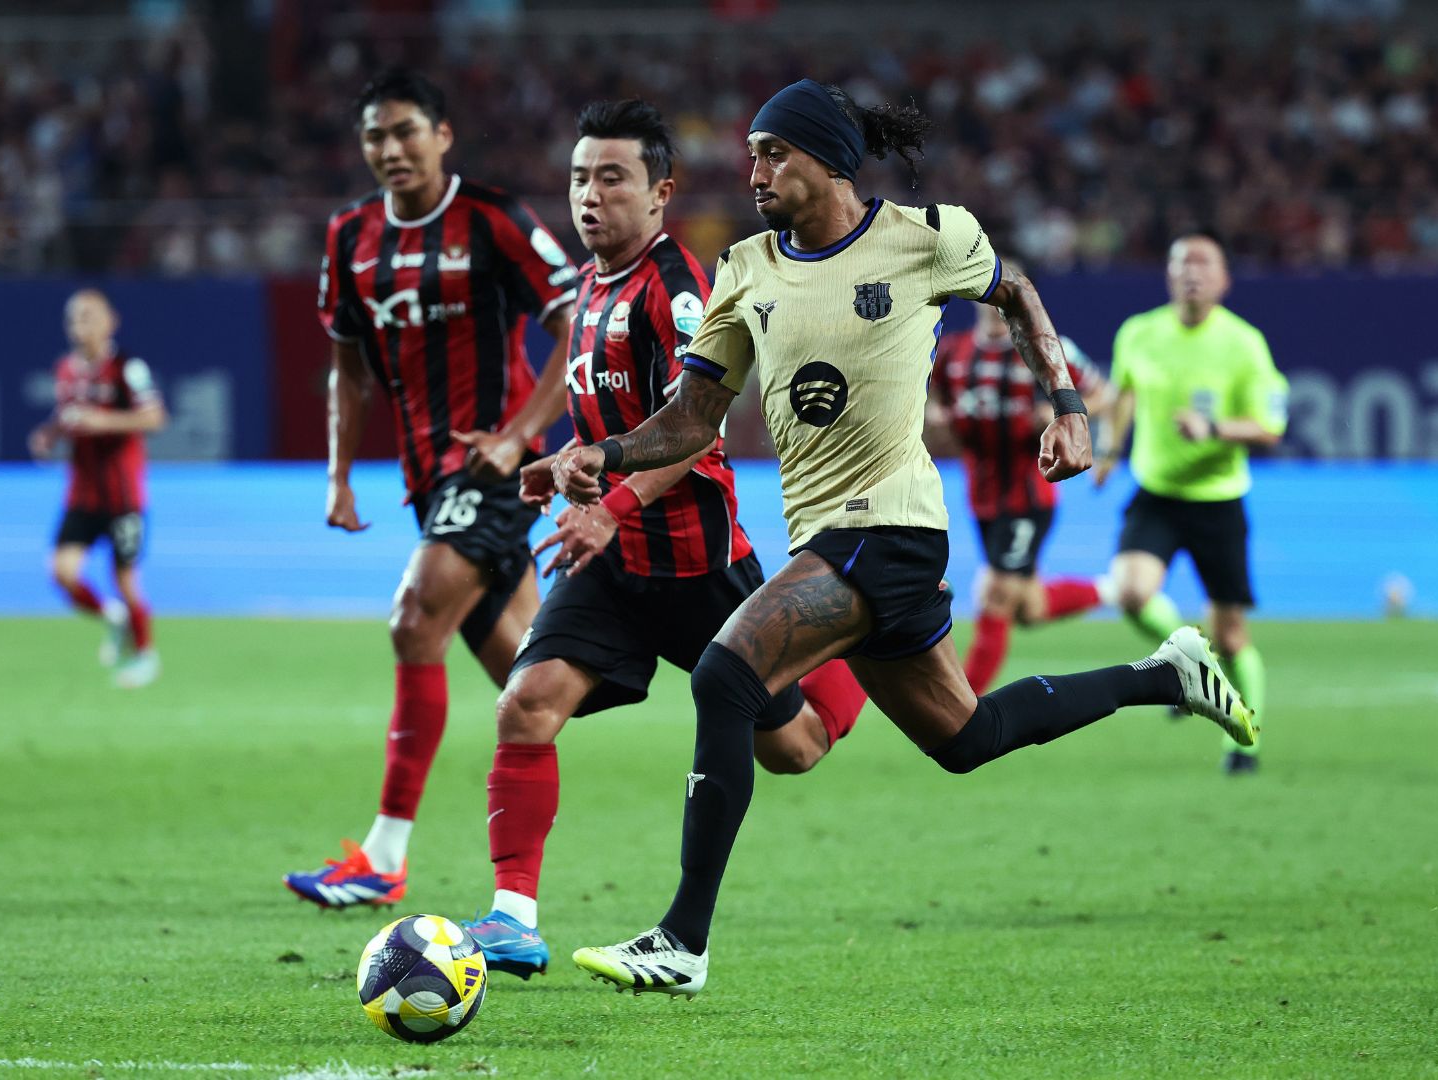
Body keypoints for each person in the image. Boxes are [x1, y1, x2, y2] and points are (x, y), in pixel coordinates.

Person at [538, 80, 1256, 996]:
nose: (751, 170)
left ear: (827, 158)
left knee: (725, 675)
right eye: (751, 153)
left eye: (772, 153)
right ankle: (1164, 674)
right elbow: (691, 420)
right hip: (833, 535)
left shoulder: (927, 237)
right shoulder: (746, 269)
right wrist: (601, 452)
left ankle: (682, 939)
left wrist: (1067, 408)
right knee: (967, 735)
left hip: (892, 527)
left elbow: (1018, 291)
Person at [458, 100, 868, 979]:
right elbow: (609, 426)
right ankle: (511, 918)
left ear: (659, 194)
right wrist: (563, 469)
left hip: (698, 564)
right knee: (523, 705)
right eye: (578, 178)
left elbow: (694, 435)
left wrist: (610, 503)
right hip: (612, 566)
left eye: (612, 178)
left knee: (792, 749)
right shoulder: (586, 291)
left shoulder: (678, 290)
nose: (589, 196)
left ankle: (860, 636)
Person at [284, 70, 578, 908]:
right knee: (537, 689)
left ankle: (382, 856)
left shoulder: (493, 219)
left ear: (443, 135)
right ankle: (782, 701)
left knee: (414, 618)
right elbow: (346, 365)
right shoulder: (349, 238)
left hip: (491, 471)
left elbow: (576, 318)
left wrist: (521, 434)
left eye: (406, 131)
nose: (391, 149)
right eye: (376, 136)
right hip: (426, 482)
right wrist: (339, 472)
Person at [1093, 233, 1288, 774]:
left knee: (1232, 635)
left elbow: (1271, 426)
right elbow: (1123, 393)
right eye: (1181, 263)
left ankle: (1243, 743)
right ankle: (1190, 662)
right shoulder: (1139, 332)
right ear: (1169, 276)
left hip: (1217, 501)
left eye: (1203, 263)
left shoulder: (1244, 344)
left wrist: (1215, 427)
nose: (1191, 272)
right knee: (1131, 592)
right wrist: (1111, 450)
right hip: (1156, 493)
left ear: (1224, 279)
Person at [926, 286, 1113, 694]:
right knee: (1027, 607)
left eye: (1008, 301)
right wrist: (934, 415)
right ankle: (1109, 589)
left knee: (996, 593)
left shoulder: (1046, 350)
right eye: (992, 300)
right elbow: (929, 404)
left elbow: (1103, 394)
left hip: (1031, 495)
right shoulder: (953, 353)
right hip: (981, 496)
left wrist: (1060, 411)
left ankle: (965, 702)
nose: (998, 309)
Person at [28, 288, 167, 689]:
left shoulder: (127, 368)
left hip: (123, 496)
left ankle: (145, 656)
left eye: (88, 317)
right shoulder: (65, 370)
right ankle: (112, 618)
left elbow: (155, 417)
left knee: (125, 580)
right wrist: (49, 434)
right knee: (62, 572)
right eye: (73, 319)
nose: (79, 326)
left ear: (111, 321)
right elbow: (68, 413)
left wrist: (103, 423)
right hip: (82, 494)